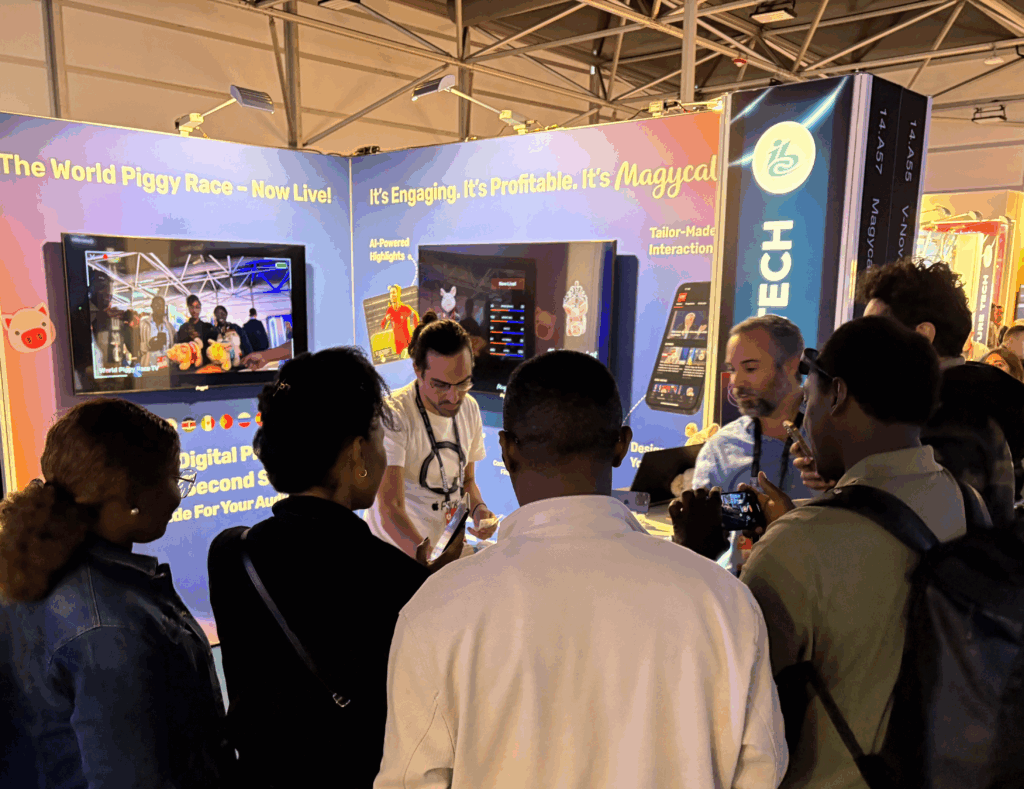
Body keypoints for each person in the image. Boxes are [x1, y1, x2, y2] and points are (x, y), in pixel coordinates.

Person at [375, 351, 788, 788]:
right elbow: (761, 771)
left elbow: (410, 781)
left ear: (507, 450)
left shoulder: (437, 611)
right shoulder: (724, 603)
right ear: (621, 445)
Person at [672, 316, 966, 789]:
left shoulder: (798, 545)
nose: (805, 419)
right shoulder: (960, 497)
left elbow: (717, 691)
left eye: (810, 399)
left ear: (839, 395)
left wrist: (693, 554)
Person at [208, 348, 462, 789]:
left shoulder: (231, 553)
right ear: (358, 454)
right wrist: (432, 584)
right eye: (379, 438)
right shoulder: (396, 581)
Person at [0, 399, 232, 787]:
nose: (178, 496)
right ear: (129, 501)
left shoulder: (30, 573)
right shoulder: (109, 629)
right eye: (174, 480)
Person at [851, 258, 1024, 522]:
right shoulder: (971, 399)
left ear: (923, 334)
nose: (862, 347)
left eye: (874, 331)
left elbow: (908, 528)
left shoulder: (949, 420)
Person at [366, 313, 496, 560]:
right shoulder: (394, 413)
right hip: (397, 554)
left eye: (463, 383)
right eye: (441, 385)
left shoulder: (469, 408)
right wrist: (429, 559)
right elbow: (389, 509)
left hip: (445, 551)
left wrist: (480, 511)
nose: (453, 396)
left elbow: (466, 482)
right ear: (417, 369)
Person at [693, 314, 814, 500]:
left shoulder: (832, 438)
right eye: (732, 370)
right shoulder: (720, 449)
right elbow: (705, 523)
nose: (736, 382)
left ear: (790, 366)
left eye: (750, 368)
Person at [175, 294, 216, 364]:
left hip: (206, 365)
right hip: (189, 366)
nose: (194, 310)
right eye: (191, 307)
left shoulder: (208, 327)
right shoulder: (183, 328)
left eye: (197, 307)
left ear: (200, 308)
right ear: (188, 308)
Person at [381, 284, 419, 358]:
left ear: (398, 294)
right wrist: (386, 319)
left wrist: (417, 330)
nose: (392, 295)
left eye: (394, 292)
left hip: (407, 344)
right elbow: (382, 326)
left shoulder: (405, 308)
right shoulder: (389, 310)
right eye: (390, 293)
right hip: (398, 346)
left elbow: (415, 315)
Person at [140, 295, 175, 368]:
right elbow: (136, 348)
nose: (160, 308)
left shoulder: (169, 327)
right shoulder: (143, 324)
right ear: (152, 306)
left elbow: (172, 347)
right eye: (157, 305)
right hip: (149, 368)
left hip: (166, 368)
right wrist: (149, 345)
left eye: (162, 305)